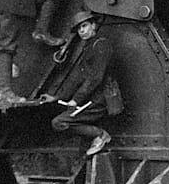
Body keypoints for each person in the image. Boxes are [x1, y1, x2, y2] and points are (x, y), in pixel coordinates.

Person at [45, 11, 117, 157]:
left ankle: (100, 135)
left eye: (84, 26)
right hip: (93, 98)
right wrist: (57, 97)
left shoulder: (101, 44)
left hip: (100, 99)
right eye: (79, 29)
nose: (81, 31)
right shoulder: (89, 46)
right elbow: (78, 78)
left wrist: (76, 99)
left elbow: (95, 78)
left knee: (58, 122)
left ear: (93, 25)